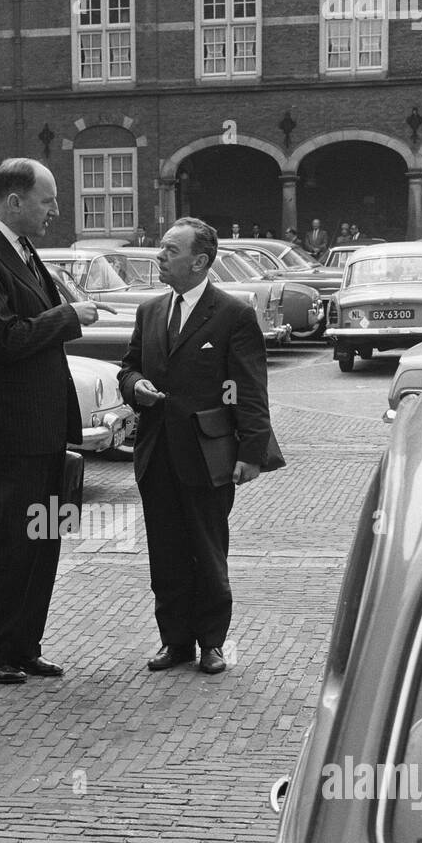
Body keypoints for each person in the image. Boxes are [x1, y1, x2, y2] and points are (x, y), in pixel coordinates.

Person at [0, 157, 98, 684]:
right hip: (15, 430)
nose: (56, 211)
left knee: (45, 537)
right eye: (48, 200)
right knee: (15, 540)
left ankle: (20, 643)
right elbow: (4, 338)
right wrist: (69, 316)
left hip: (47, 426)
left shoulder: (23, 248)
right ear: (14, 201)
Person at [118, 216, 274, 676]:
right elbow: (127, 367)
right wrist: (136, 385)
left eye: (170, 250)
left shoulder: (233, 314)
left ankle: (212, 643)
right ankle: (175, 641)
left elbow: (249, 388)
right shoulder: (149, 311)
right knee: (164, 552)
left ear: (200, 261)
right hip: (155, 452)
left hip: (208, 455)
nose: (160, 256)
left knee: (207, 549)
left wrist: (251, 453)